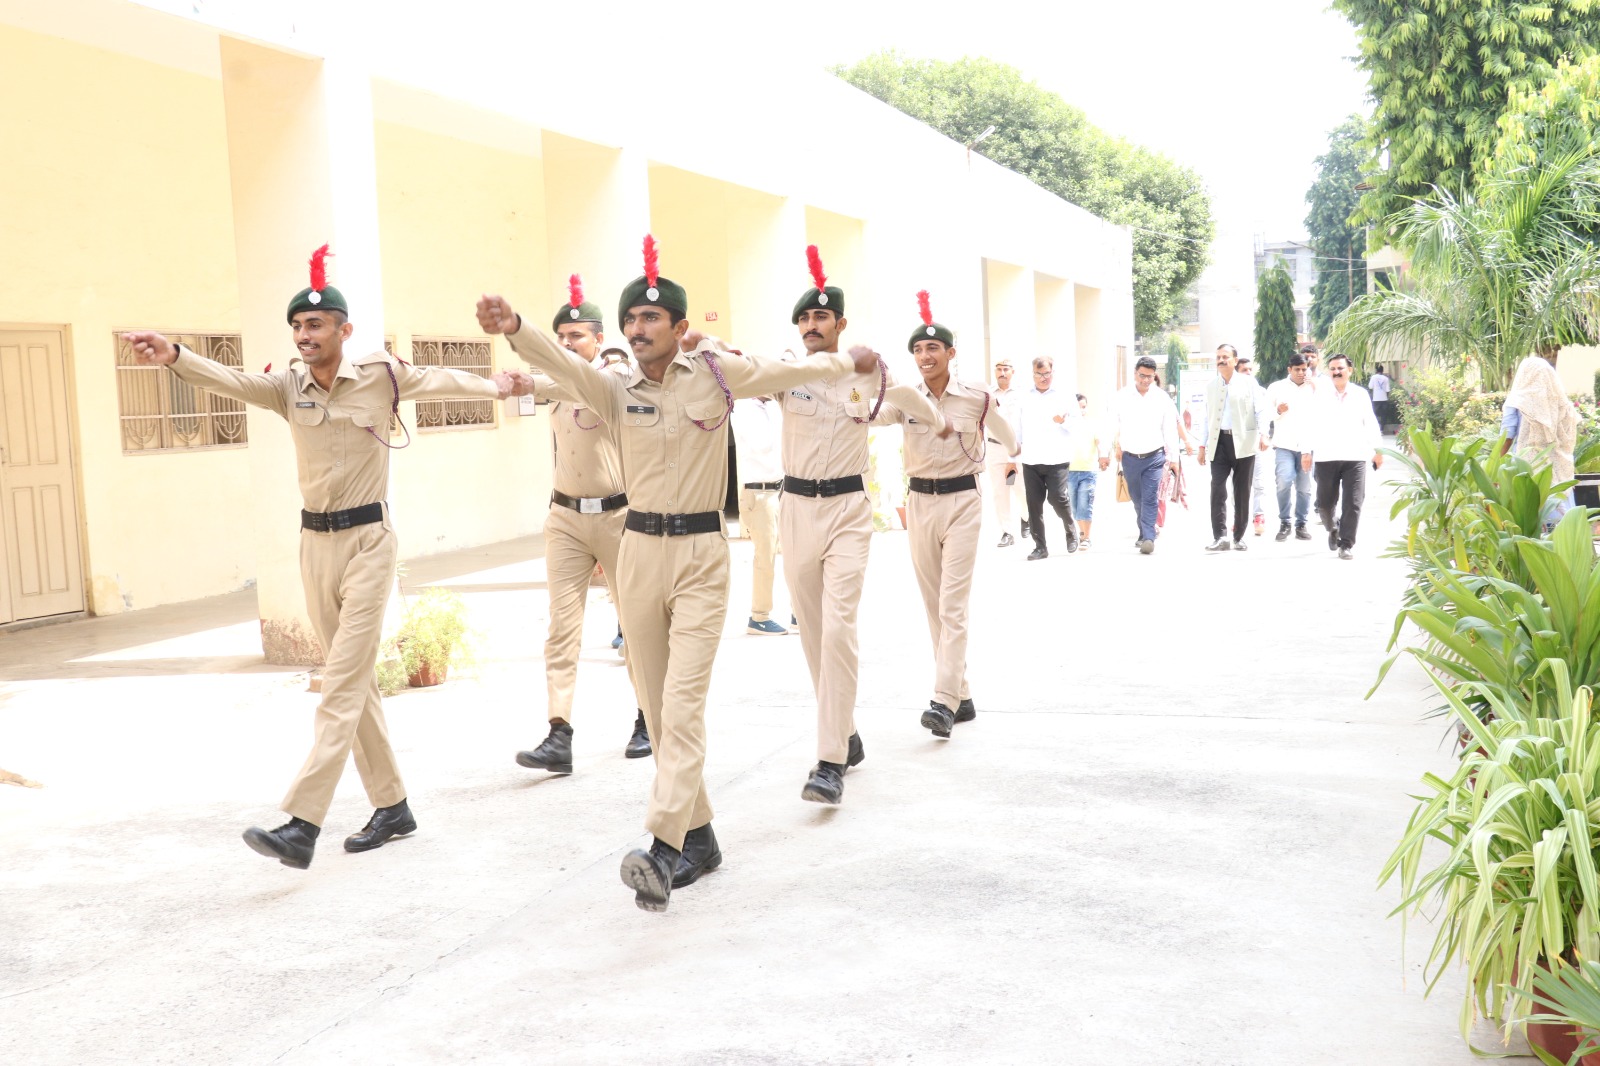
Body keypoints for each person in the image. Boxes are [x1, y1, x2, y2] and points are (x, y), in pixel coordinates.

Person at [477, 236, 881, 912]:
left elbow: (786, 374)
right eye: (631, 320)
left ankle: (661, 846)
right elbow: (557, 361)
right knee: (658, 708)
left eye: (650, 320)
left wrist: (850, 359)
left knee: (684, 705)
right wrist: (517, 330)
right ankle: (699, 839)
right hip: (636, 553)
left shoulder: (716, 375)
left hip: (699, 556)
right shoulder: (610, 388)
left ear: (677, 325)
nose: (637, 330)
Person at [123, 245, 529, 871]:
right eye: (297, 326)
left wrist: (500, 385)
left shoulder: (382, 375)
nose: (304, 335)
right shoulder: (287, 387)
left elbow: (444, 380)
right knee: (354, 681)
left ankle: (302, 821)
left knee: (339, 680)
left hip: (369, 542)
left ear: (345, 330)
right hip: (315, 545)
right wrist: (175, 354)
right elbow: (230, 380)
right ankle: (392, 806)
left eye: (315, 325)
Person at [779, 252, 945, 806]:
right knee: (810, 632)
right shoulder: (789, 372)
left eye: (820, 320)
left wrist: (908, 392)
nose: (811, 328)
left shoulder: (867, 372)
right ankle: (844, 732)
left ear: (839, 324)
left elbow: (910, 403)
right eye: (804, 321)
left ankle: (828, 761)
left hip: (848, 510)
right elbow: (742, 372)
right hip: (796, 510)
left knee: (837, 628)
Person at [512, 276, 651, 778]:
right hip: (566, 517)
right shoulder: (554, 383)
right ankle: (558, 734)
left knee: (637, 626)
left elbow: (610, 373)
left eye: (577, 336)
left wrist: (609, 357)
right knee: (561, 630)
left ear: (598, 340)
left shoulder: (616, 380)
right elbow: (549, 382)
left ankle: (648, 720)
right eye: (561, 337)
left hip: (618, 517)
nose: (568, 344)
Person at [874, 294, 1016, 740]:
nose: (924, 357)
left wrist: (1013, 453)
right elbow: (868, 415)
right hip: (919, 504)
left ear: (951, 354)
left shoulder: (976, 397)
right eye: (917, 350)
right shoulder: (907, 399)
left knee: (952, 604)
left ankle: (941, 701)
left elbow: (1007, 434)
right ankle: (962, 694)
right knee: (934, 603)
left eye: (933, 349)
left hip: (962, 503)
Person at [1301, 353, 1383, 559]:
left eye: (1341, 369)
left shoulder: (1360, 394)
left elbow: (1370, 422)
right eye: (1333, 369)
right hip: (1325, 457)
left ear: (1349, 371)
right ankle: (1333, 528)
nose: (1337, 372)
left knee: (1353, 502)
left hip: (1355, 457)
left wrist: (1378, 450)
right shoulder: (1319, 394)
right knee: (1325, 505)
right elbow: (1308, 423)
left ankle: (1346, 544)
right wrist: (1305, 451)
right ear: (1329, 372)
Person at [1107, 356, 1181, 554]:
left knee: (1150, 497)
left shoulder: (1161, 398)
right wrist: (1108, 451)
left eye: (1150, 376)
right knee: (1137, 498)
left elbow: (1170, 429)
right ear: (1135, 374)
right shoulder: (1121, 397)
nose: (1146, 380)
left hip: (1155, 457)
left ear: (1154, 376)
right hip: (1130, 457)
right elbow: (1112, 425)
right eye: (1142, 376)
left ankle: (1149, 537)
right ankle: (1144, 530)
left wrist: (1174, 458)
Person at [1198, 343, 1269, 551]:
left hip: (1244, 443)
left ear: (1235, 360)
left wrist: (1264, 434)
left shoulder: (1249, 383)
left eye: (1226, 357)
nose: (1221, 360)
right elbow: (1206, 418)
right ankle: (1220, 536)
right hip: (1218, 443)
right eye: (1219, 357)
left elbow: (1261, 410)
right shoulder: (1211, 386)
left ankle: (1238, 536)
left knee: (1241, 491)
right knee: (1217, 489)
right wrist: (1202, 446)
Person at [1501, 349, 1579, 529]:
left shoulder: (1517, 401)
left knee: (1532, 522)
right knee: (1564, 524)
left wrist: (1494, 465)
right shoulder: (1563, 404)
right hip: (1559, 471)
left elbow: (1506, 436)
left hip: (1528, 469)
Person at [731, 393, 786, 634]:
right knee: (766, 557)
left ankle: (797, 614)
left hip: (783, 489)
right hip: (759, 493)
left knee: (796, 556)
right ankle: (759, 616)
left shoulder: (773, 408)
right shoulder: (742, 408)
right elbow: (762, 446)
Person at [1015, 355, 1079, 560]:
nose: (1043, 378)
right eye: (1039, 374)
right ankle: (1040, 547)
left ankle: (1070, 530)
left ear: (1053, 372)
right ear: (1032, 374)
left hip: (1057, 457)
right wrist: (1012, 456)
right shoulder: (1023, 395)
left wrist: (1063, 422)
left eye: (1047, 374)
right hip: (1031, 458)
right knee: (1034, 504)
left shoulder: (1065, 395)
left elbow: (1078, 423)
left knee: (1057, 498)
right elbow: (1016, 427)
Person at [1265, 352, 1316, 541]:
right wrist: (1278, 410)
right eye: (1298, 370)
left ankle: (1301, 524)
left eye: (1305, 369)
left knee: (1304, 488)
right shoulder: (1276, 388)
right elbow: (1265, 414)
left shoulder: (1314, 389)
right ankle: (1285, 522)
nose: (1302, 373)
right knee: (1284, 481)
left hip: (1307, 447)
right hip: (1284, 445)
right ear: (1289, 369)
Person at [985, 357, 1026, 546]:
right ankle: (1007, 531)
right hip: (995, 447)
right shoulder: (987, 393)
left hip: (1016, 449)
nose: (1002, 373)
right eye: (999, 369)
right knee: (1000, 492)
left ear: (1013, 372)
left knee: (1021, 489)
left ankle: (1026, 517)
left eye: (1006, 369)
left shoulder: (1022, 393)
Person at [1236, 354, 1272, 536]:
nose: (1249, 373)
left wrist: (1264, 435)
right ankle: (1238, 517)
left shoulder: (1260, 391)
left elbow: (1265, 414)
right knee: (1238, 484)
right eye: (1244, 370)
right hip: (1236, 444)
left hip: (1256, 443)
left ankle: (1259, 515)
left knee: (1259, 481)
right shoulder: (1230, 392)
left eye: (1250, 369)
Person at [1067, 393, 1101, 549]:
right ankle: (1082, 533)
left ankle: (1086, 537)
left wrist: (1103, 457)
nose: (1082, 411)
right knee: (1074, 507)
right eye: (1078, 407)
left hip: (1088, 470)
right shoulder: (1065, 426)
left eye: (1084, 407)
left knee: (1085, 504)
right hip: (1069, 471)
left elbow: (1100, 442)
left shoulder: (1093, 424)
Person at [1368, 362, 1393, 430]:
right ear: (1382, 371)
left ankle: (1375, 428)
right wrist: (1387, 398)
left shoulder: (1373, 377)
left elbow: (1370, 387)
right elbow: (1388, 390)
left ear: (1376, 370)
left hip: (1376, 399)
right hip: (1384, 399)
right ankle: (1382, 429)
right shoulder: (1386, 378)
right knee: (1383, 415)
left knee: (1374, 414)